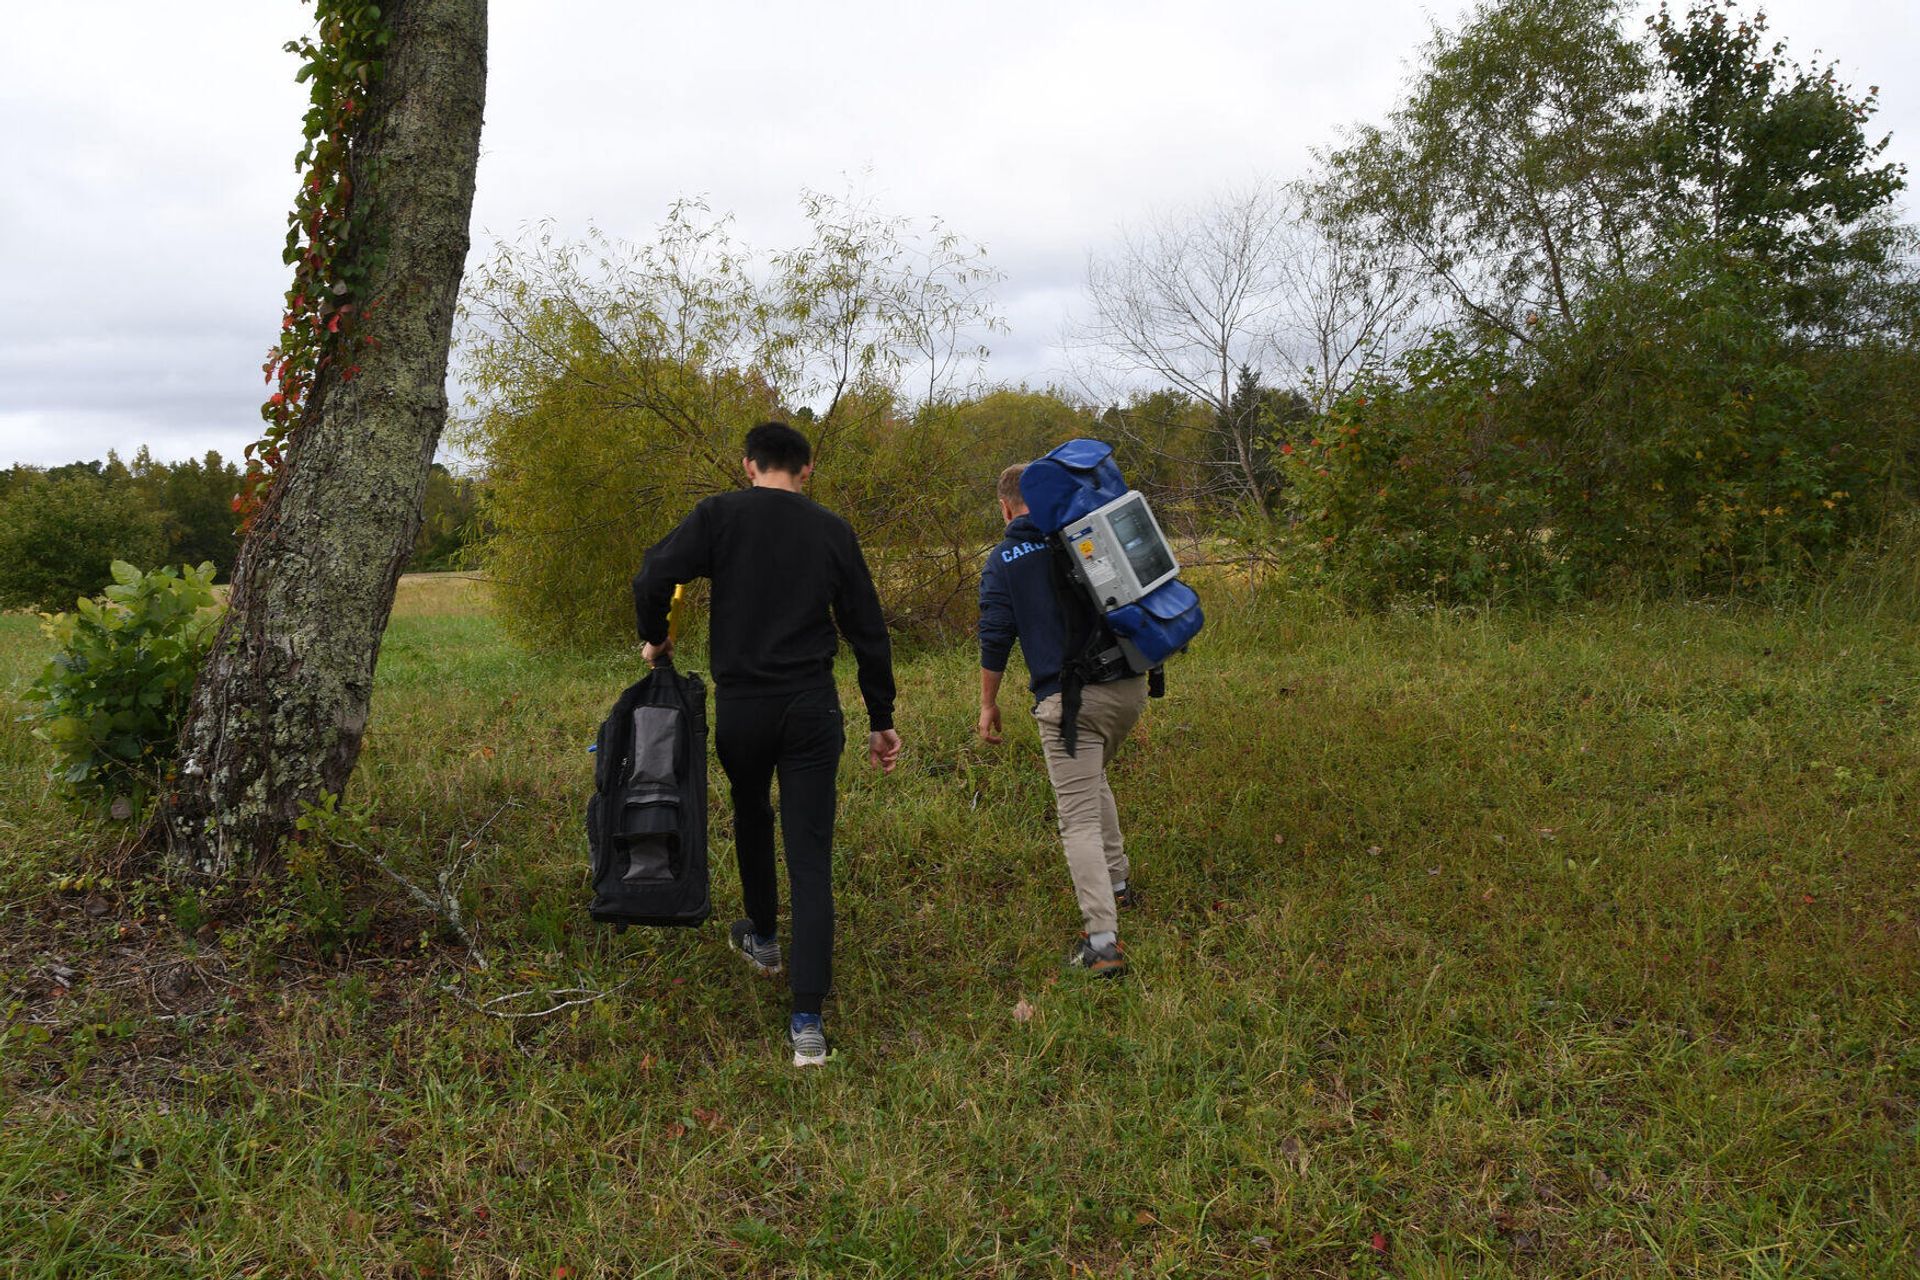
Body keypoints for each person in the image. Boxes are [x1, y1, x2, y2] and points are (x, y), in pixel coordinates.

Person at [633, 421, 902, 1066]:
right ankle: (807, 1022)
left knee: (752, 812)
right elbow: (869, 629)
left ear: (748, 464)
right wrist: (880, 716)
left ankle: (762, 936)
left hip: (743, 708)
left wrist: (658, 637)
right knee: (810, 857)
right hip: (812, 709)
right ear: (806, 471)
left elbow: (652, 575)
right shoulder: (831, 531)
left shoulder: (720, 515)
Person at [976, 462, 1147, 977]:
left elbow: (995, 634)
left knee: (1077, 819)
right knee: (1091, 781)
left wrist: (989, 704)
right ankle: (1117, 882)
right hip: (1129, 688)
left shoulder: (1006, 557)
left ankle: (1101, 941)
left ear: (1006, 507)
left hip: (1069, 705)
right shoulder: (1079, 535)